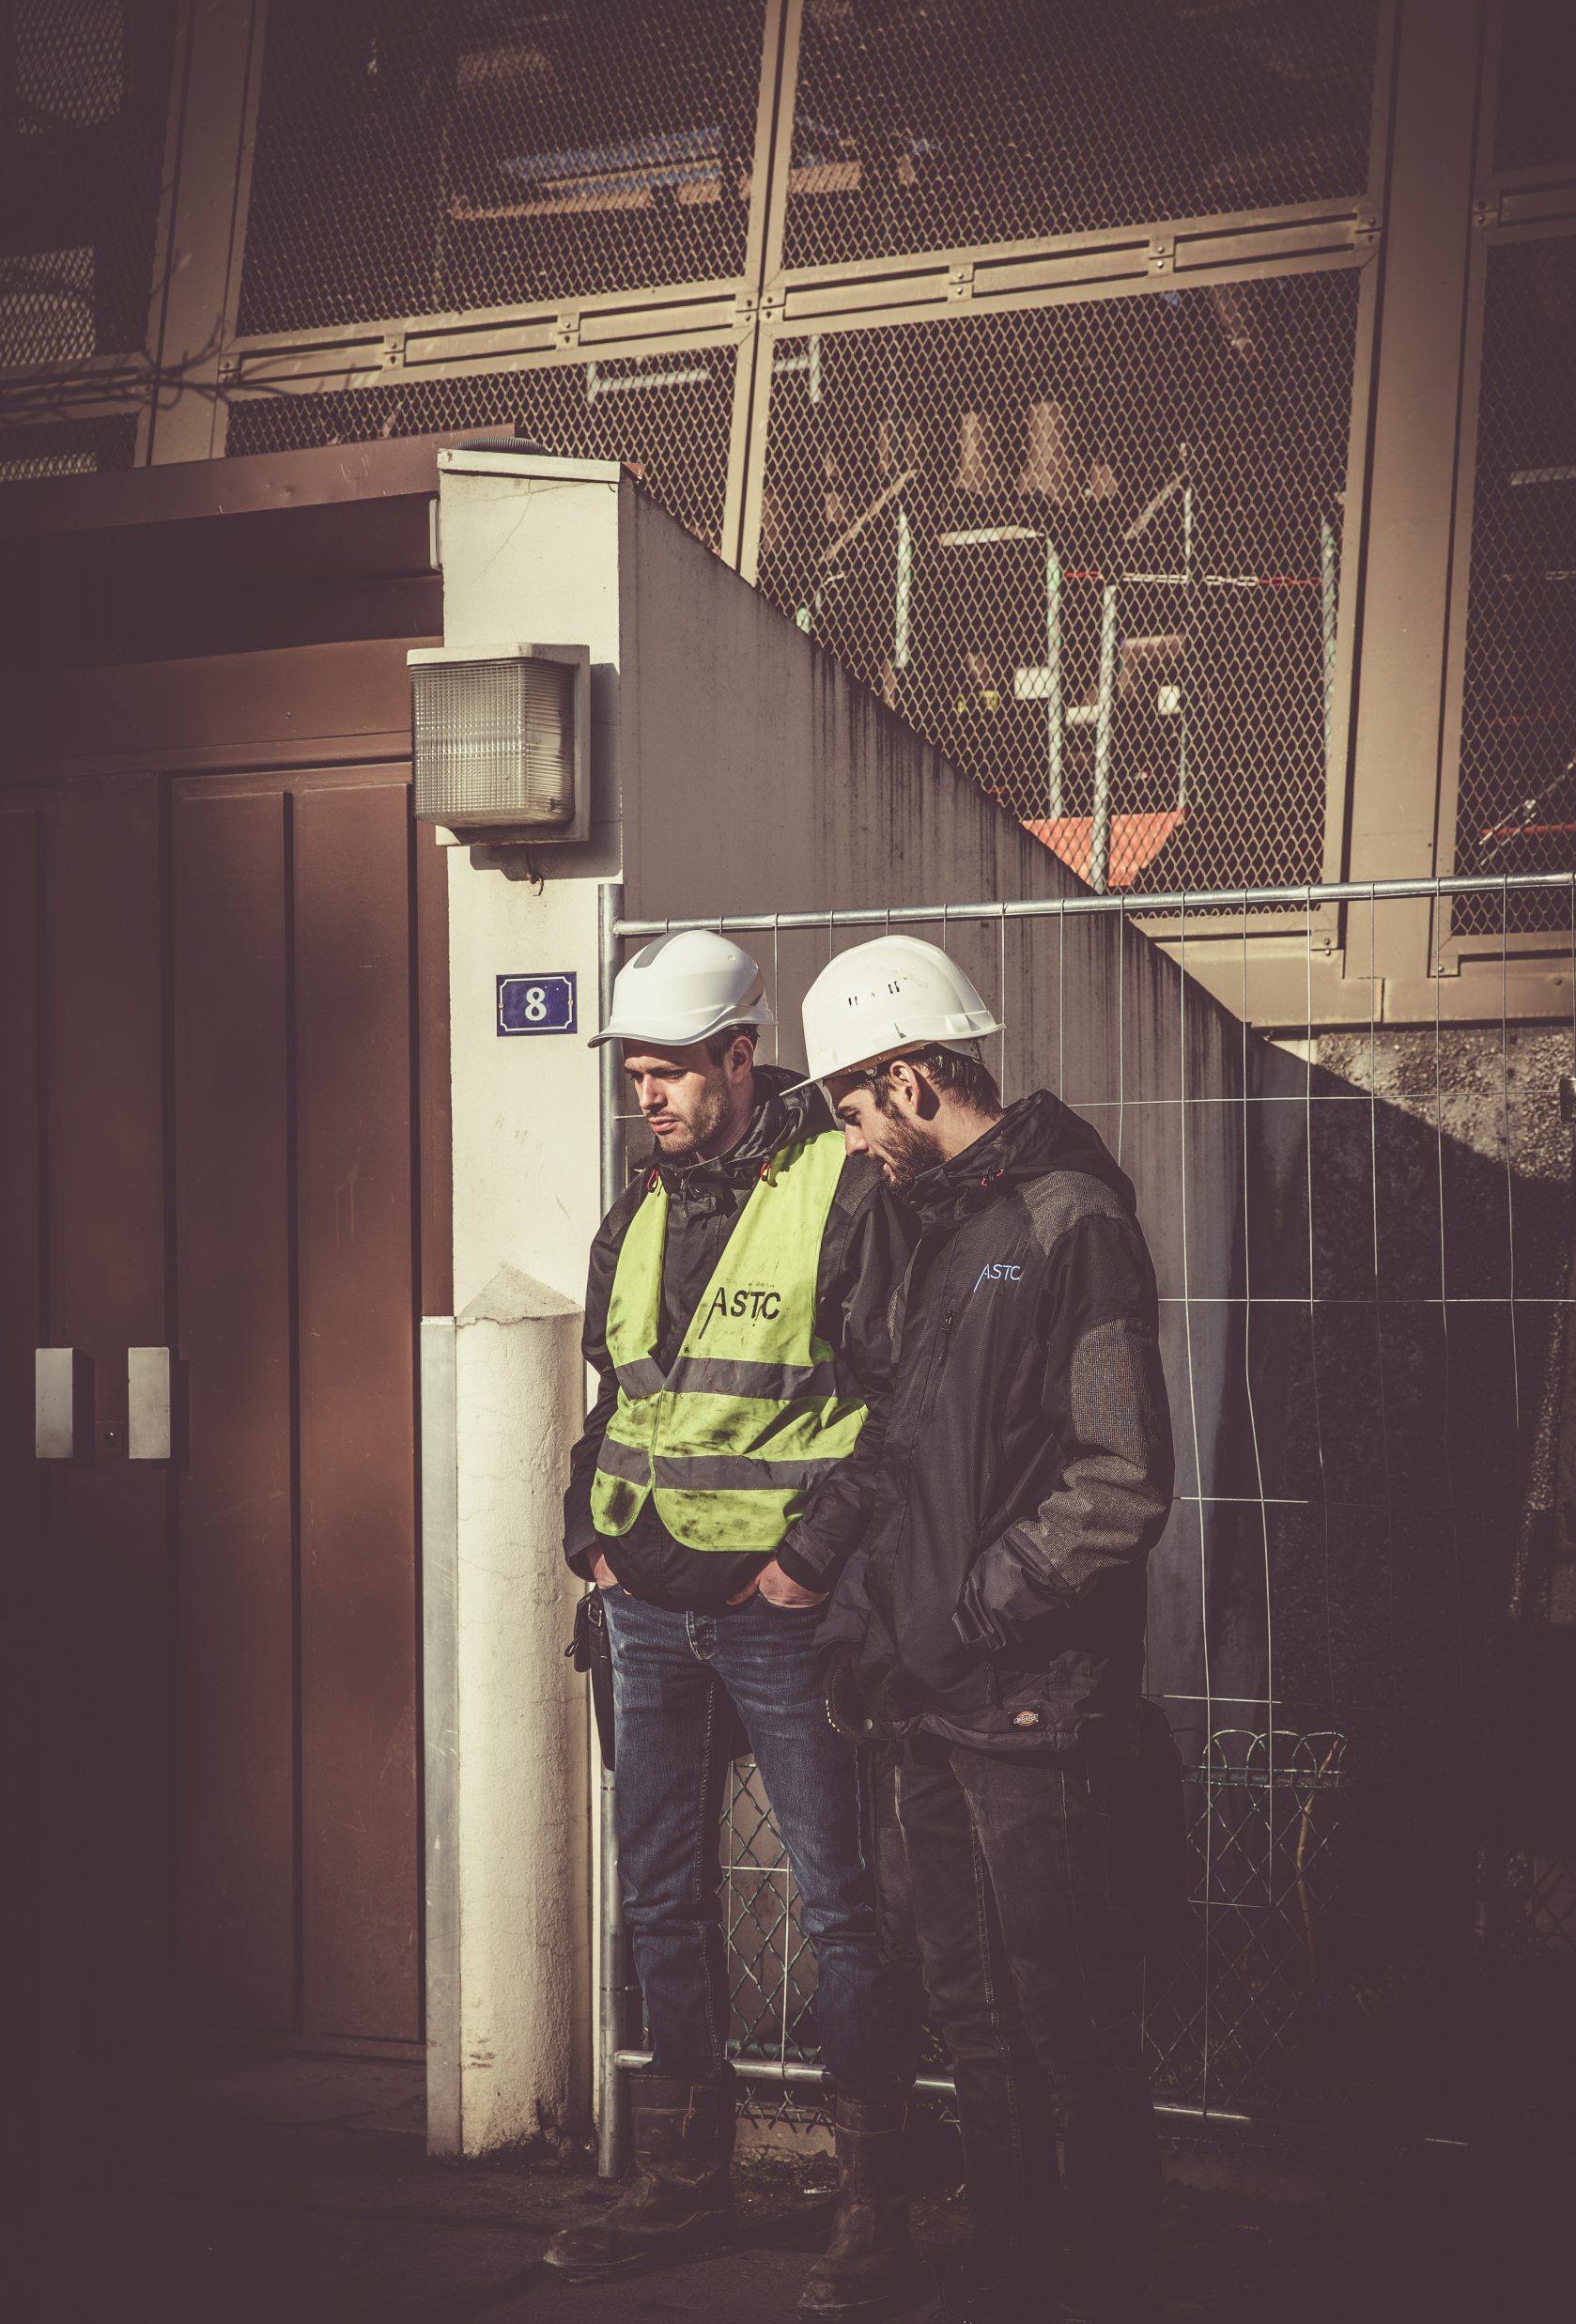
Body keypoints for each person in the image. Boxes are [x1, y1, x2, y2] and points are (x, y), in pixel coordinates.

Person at [786, 936, 1175, 2324]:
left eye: (848, 1104)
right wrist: (846, 1585)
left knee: (1068, 2007)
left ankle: (1105, 2275)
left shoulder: (1070, 1220)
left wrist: (976, 1611)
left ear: (907, 1075)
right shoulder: (931, 1224)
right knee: (971, 2005)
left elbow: (1120, 1477)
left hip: (1029, 1695)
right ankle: (1013, 2262)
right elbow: (898, 1435)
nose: (846, 1134)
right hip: (922, 1692)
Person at [545, 929, 919, 2319]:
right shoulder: (636, 1208)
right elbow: (619, 1399)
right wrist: (589, 1538)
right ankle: (685, 2178)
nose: (647, 1095)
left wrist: (806, 1566)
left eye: (672, 1073)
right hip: (646, 1612)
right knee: (658, 1897)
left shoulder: (843, 1186)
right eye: (636, 1074)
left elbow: (893, 1399)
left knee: (840, 1906)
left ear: (741, 1058)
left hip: (777, 1617)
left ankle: (874, 2204)